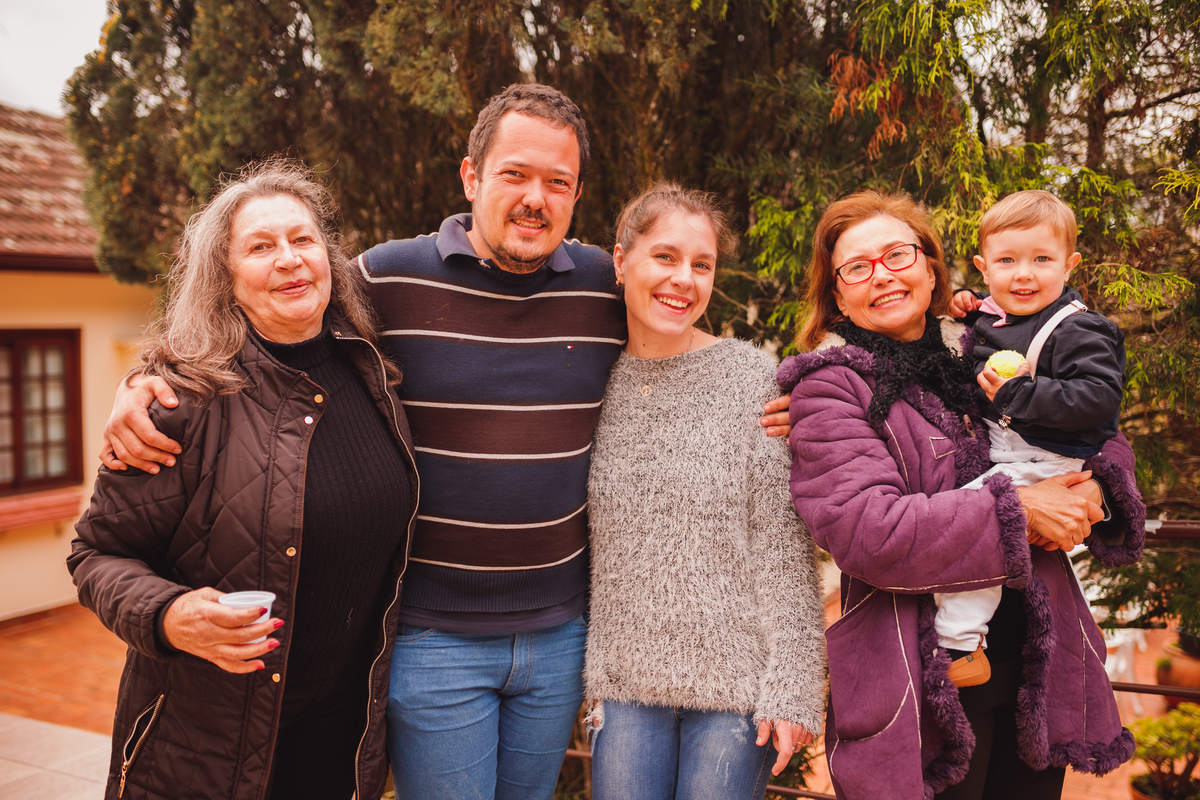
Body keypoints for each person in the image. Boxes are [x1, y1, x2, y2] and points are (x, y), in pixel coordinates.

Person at [94, 84, 795, 800]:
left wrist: (788, 396)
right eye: (515, 174)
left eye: (558, 183)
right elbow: (272, 311)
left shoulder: (600, 285)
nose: (535, 199)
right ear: (471, 177)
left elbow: (680, 328)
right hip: (434, 640)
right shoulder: (383, 278)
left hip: (558, 638)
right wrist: (151, 377)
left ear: (578, 194)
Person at [68, 160, 419, 800]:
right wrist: (169, 615)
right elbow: (95, 554)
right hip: (207, 746)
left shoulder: (375, 375)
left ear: (330, 259)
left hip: (342, 740)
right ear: (225, 278)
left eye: (303, 239)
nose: (288, 259)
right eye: (260, 247)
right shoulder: (179, 402)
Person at [778, 191, 1145, 800]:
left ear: (929, 267)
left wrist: (1095, 492)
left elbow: (1095, 429)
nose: (884, 275)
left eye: (898, 254)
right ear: (838, 294)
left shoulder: (981, 348)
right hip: (922, 675)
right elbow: (870, 531)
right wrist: (1023, 509)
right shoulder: (829, 389)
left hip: (1032, 658)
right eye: (857, 267)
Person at [583, 184, 827, 800]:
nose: (683, 280)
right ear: (620, 260)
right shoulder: (589, 379)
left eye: (702, 264)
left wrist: (794, 681)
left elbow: (781, 543)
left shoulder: (751, 378)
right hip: (624, 687)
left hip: (737, 695)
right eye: (665, 257)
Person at [931, 189, 1126, 687]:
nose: (1023, 273)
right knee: (978, 520)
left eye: (1042, 259)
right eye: (1007, 260)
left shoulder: (1079, 328)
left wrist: (1020, 395)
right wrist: (967, 307)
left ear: (1070, 264)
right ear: (983, 266)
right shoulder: (997, 314)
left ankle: (960, 644)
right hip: (1014, 452)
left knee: (972, 519)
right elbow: (985, 326)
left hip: (1048, 458)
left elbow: (1099, 400)